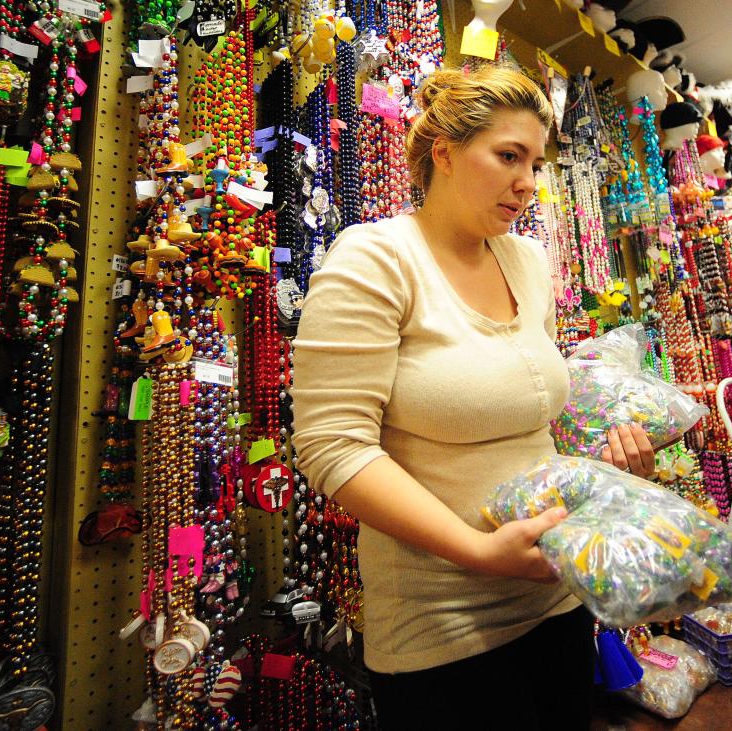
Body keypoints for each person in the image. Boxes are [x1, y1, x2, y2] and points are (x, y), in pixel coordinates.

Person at [290, 65, 655, 730]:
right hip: (443, 631)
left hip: (556, 602)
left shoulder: (528, 262)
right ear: (446, 153)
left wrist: (608, 461)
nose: (528, 183)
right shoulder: (376, 258)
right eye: (509, 155)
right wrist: (474, 548)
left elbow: (537, 418)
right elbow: (330, 444)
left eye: (537, 163)